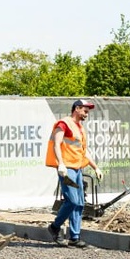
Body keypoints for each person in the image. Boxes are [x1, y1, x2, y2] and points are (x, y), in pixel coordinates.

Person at [44, 98, 100, 248]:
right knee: (72, 201)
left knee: (80, 203)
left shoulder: (80, 128)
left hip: (77, 169)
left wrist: (96, 167)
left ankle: (75, 237)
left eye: (87, 112)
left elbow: (83, 152)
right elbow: (56, 144)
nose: (86, 114)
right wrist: (61, 164)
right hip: (66, 170)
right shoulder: (64, 124)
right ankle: (55, 227)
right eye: (85, 111)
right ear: (76, 108)